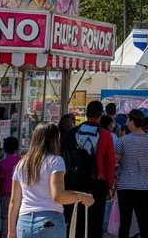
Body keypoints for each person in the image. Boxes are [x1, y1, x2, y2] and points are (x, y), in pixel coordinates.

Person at [9, 122, 94, 238]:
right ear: (54, 140)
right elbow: (58, 195)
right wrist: (81, 197)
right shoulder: (55, 161)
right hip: (49, 221)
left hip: (24, 223)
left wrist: (11, 231)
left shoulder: (21, 164)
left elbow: (14, 201)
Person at [61, 100, 116, 238]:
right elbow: (109, 163)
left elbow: (64, 157)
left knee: (75, 221)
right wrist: (109, 185)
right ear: (101, 115)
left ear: (86, 114)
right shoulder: (105, 135)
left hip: (73, 183)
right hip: (97, 184)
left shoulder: (72, 132)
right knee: (94, 223)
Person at [115, 109, 148, 238]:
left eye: (127, 120)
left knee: (125, 223)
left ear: (132, 122)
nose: (126, 123)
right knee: (144, 223)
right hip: (145, 186)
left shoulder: (122, 141)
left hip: (126, 185)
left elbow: (115, 160)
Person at [0, 135, 19, 238]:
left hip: (5, 194)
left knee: (6, 219)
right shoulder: (21, 161)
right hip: (19, 194)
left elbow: (0, 179)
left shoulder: (3, 163)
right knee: (18, 219)